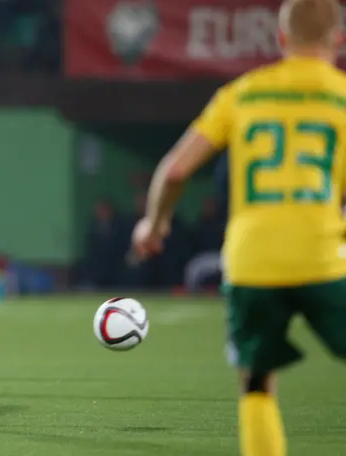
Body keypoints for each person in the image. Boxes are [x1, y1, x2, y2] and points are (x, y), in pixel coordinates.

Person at [132, 1, 346, 455]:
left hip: (252, 263)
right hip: (324, 259)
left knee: (257, 384)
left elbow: (174, 171)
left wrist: (155, 223)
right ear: (339, 40)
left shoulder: (242, 93)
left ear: (281, 40)